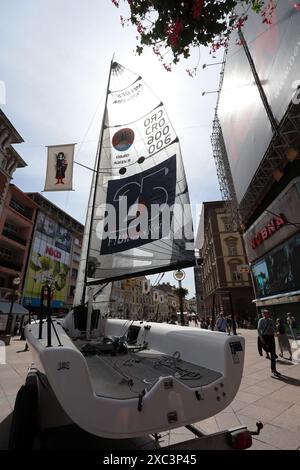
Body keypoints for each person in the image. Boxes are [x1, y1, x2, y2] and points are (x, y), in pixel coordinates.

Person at [258, 309, 280, 376]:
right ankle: (269, 352)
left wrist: (272, 328)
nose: (265, 315)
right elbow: (259, 329)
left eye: (266, 313)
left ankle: (273, 369)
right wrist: (261, 338)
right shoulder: (261, 320)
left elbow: (275, 329)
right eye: (264, 314)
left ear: (268, 314)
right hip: (265, 337)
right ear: (263, 314)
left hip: (271, 337)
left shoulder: (271, 320)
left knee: (273, 354)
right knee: (267, 349)